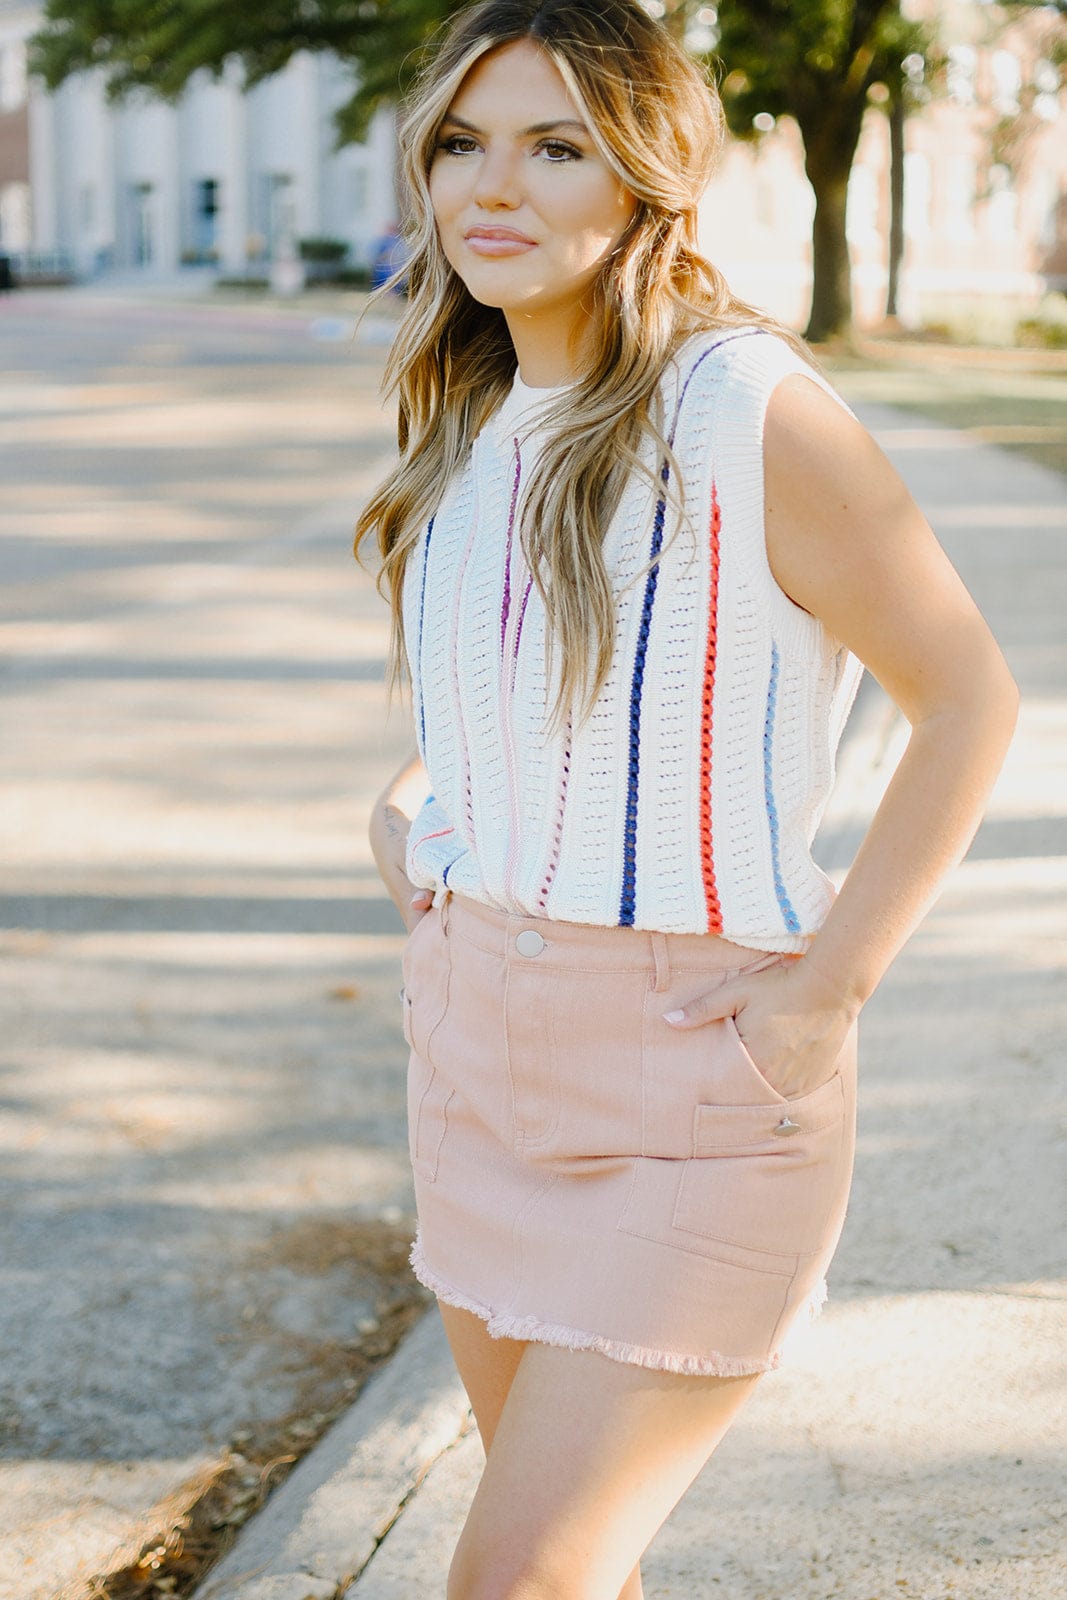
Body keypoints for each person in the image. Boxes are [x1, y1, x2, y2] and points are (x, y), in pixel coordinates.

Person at [356, 3, 1018, 1596]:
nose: (489, 188)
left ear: (646, 172)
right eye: (461, 143)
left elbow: (968, 701)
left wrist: (820, 1000)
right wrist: (410, 805)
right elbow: (512, 697)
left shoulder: (745, 407)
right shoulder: (467, 423)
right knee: (584, 1570)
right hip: (474, 1055)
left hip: (692, 1086)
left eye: (554, 144)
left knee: (513, 1579)